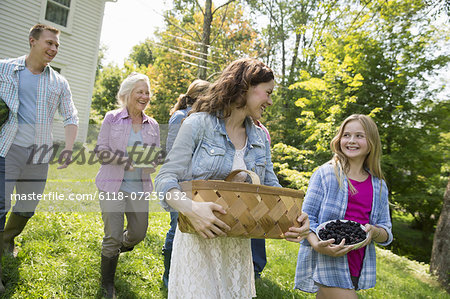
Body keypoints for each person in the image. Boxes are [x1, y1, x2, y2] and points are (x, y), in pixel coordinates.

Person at [155, 58, 309, 298]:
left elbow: (274, 192)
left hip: (236, 252)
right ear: (245, 86)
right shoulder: (198, 124)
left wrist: (296, 220)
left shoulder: (259, 137)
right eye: (267, 92)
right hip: (198, 246)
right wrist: (192, 209)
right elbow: (165, 179)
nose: (270, 100)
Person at [0, 24, 78, 293]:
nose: (54, 49)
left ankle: (7, 240)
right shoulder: (5, 69)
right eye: (49, 43)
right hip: (6, 149)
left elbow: (71, 116)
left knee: (26, 208)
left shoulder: (58, 82)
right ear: (32, 41)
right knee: (1, 206)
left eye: (57, 45)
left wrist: (68, 148)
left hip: (38, 154)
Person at [294, 114, 393, 298]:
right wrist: (317, 245)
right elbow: (306, 218)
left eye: (359, 136)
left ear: (371, 142)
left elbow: (386, 231)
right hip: (326, 261)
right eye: (346, 135)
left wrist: (374, 232)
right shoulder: (325, 174)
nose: (351, 141)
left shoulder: (379, 185)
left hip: (357, 264)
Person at [94, 72, 160, 298]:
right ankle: (107, 285)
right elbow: (101, 151)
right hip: (112, 184)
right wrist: (125, 161)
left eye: (147, 92)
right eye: (139, 91)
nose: (144, 96)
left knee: (138, 233)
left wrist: (151, 163)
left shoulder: (153, 125)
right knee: (112, 235)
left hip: (139, 187)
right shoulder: (112, 118)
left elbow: (154, 157)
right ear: (127, 94)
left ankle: (112, 249)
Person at [162, 79, 210, 287]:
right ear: (200, 96)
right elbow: (173, 152)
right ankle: (168, 275)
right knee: (177, 228)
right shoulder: (180, 117)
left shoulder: (204, 118)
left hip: (198, 184)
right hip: (181, 183)